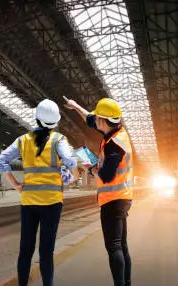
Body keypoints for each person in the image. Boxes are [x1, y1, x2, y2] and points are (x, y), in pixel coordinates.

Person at [0, 99, 77, 286]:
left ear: (37, 119)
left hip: (29, 202)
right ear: (55, 122)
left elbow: (2, 160)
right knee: (46, 251)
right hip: (52, 203)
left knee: (25, 250)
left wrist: (16, 184)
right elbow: (71, 162)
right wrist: (70, 172)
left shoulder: (23, 140)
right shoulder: (59, 140)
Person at [64, 96, 134, 286]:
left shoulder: (114, 146)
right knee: (122, 245)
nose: (95, 121)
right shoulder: (118, 132)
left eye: (98, 119)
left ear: (104, 121)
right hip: (123, 197)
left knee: (114, 247)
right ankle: (126, 283)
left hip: (113, 200)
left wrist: (90, 168)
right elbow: (90, 118)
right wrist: (75, 105)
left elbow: (107, 175)